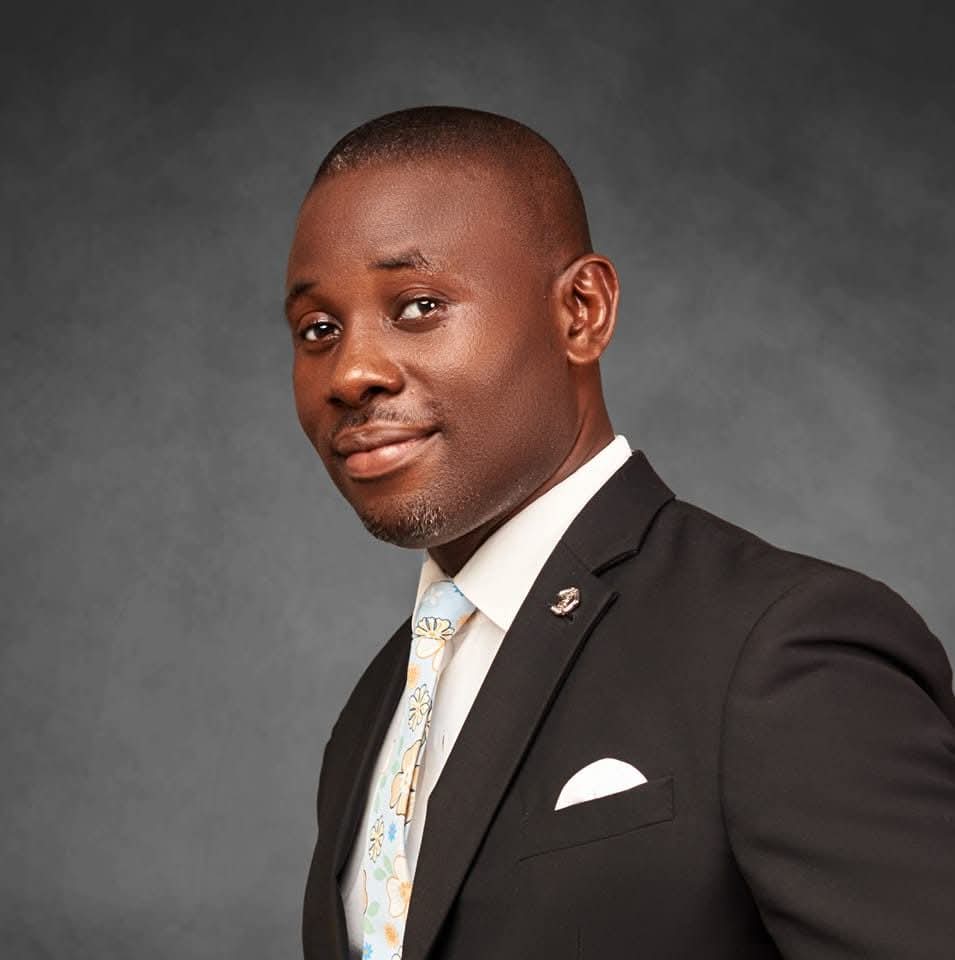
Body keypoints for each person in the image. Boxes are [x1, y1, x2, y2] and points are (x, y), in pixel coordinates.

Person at [286, 106, 955, 960]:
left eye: (418, 305)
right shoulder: (372, 716)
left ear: (581, 311)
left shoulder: (779, 647)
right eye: (317, 330)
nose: (350, 372)